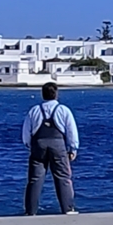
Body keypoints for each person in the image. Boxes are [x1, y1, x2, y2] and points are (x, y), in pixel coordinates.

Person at [22, 82, 79, 215]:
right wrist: (73, 149)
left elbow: (26, 134)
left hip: (38, 145)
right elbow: (71, 131)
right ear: (56, 94)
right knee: (63, 177)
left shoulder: (34, 110)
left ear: (42, 94)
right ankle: (68, 209)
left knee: (34, 179)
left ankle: (30, 211)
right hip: (58, 145)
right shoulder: (63, 110)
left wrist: (31, 146)